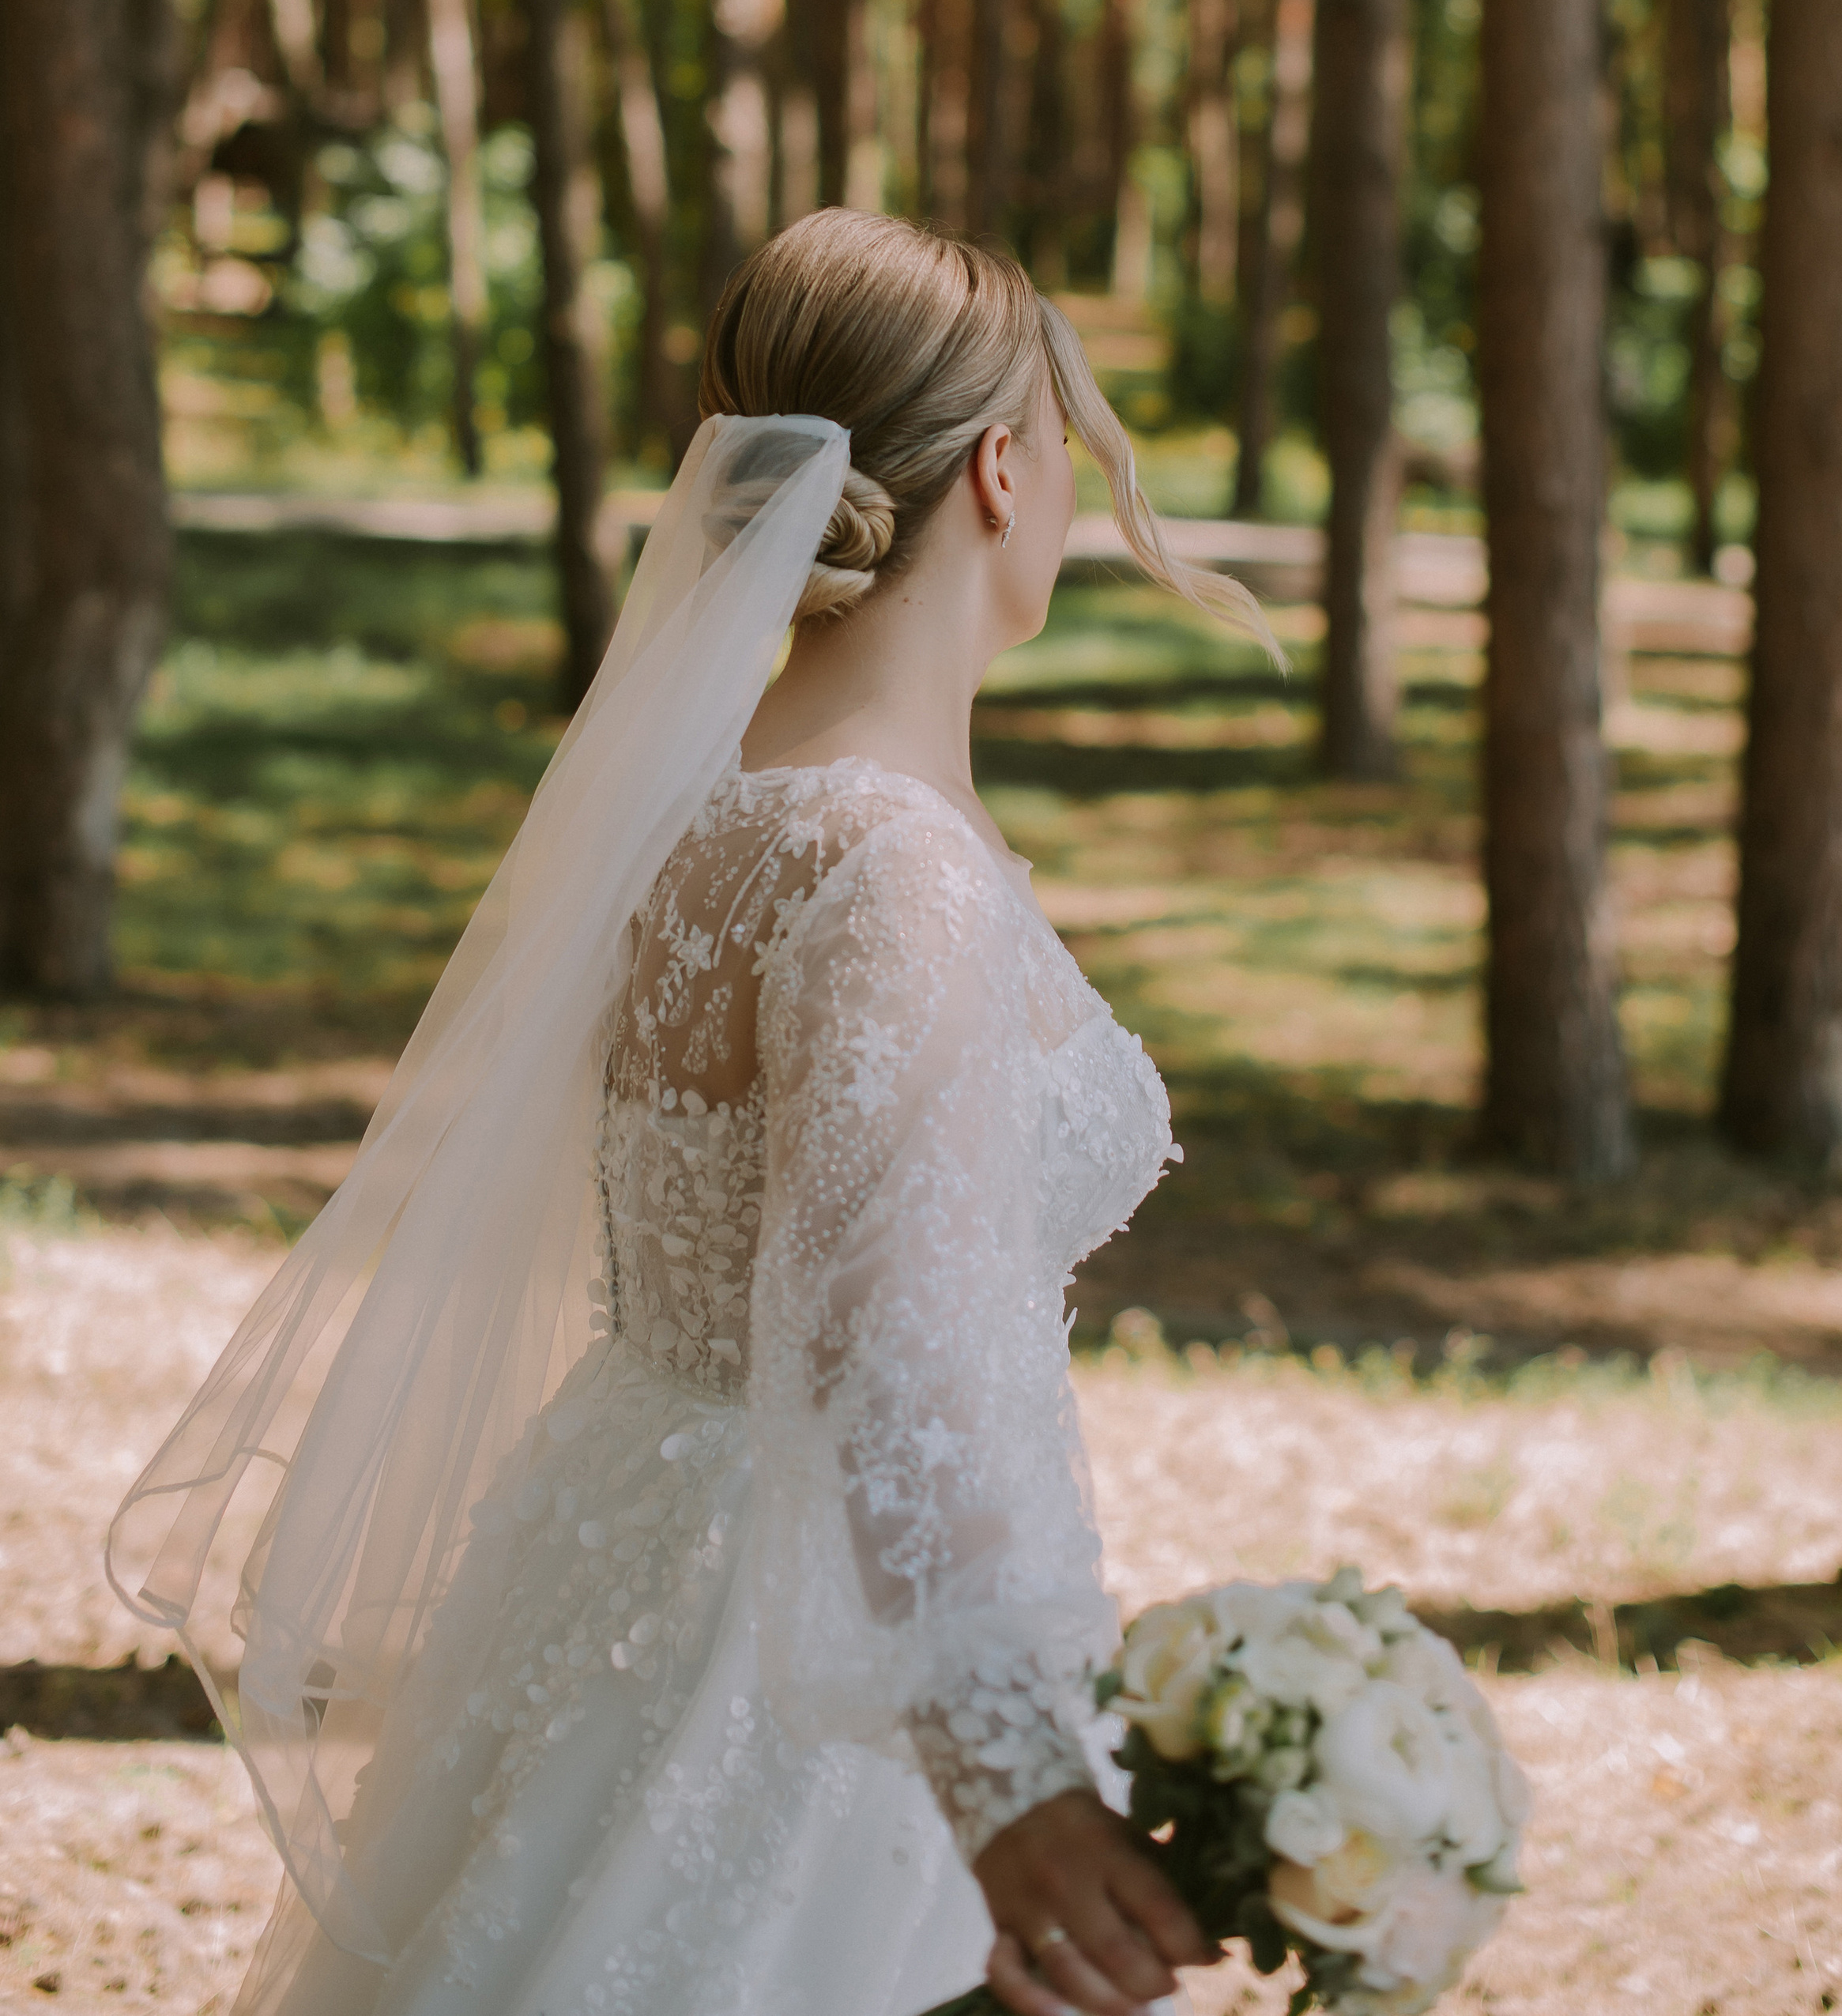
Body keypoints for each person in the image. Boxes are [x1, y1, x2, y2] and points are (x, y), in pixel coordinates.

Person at [111, 210, 1279, 2016]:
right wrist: (1006, 1782)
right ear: (998, 471)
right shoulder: (891, 868)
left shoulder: (703, 823)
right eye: (1066, 443)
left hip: (624, 1567)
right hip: (800, 1664)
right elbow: (879, 1344)